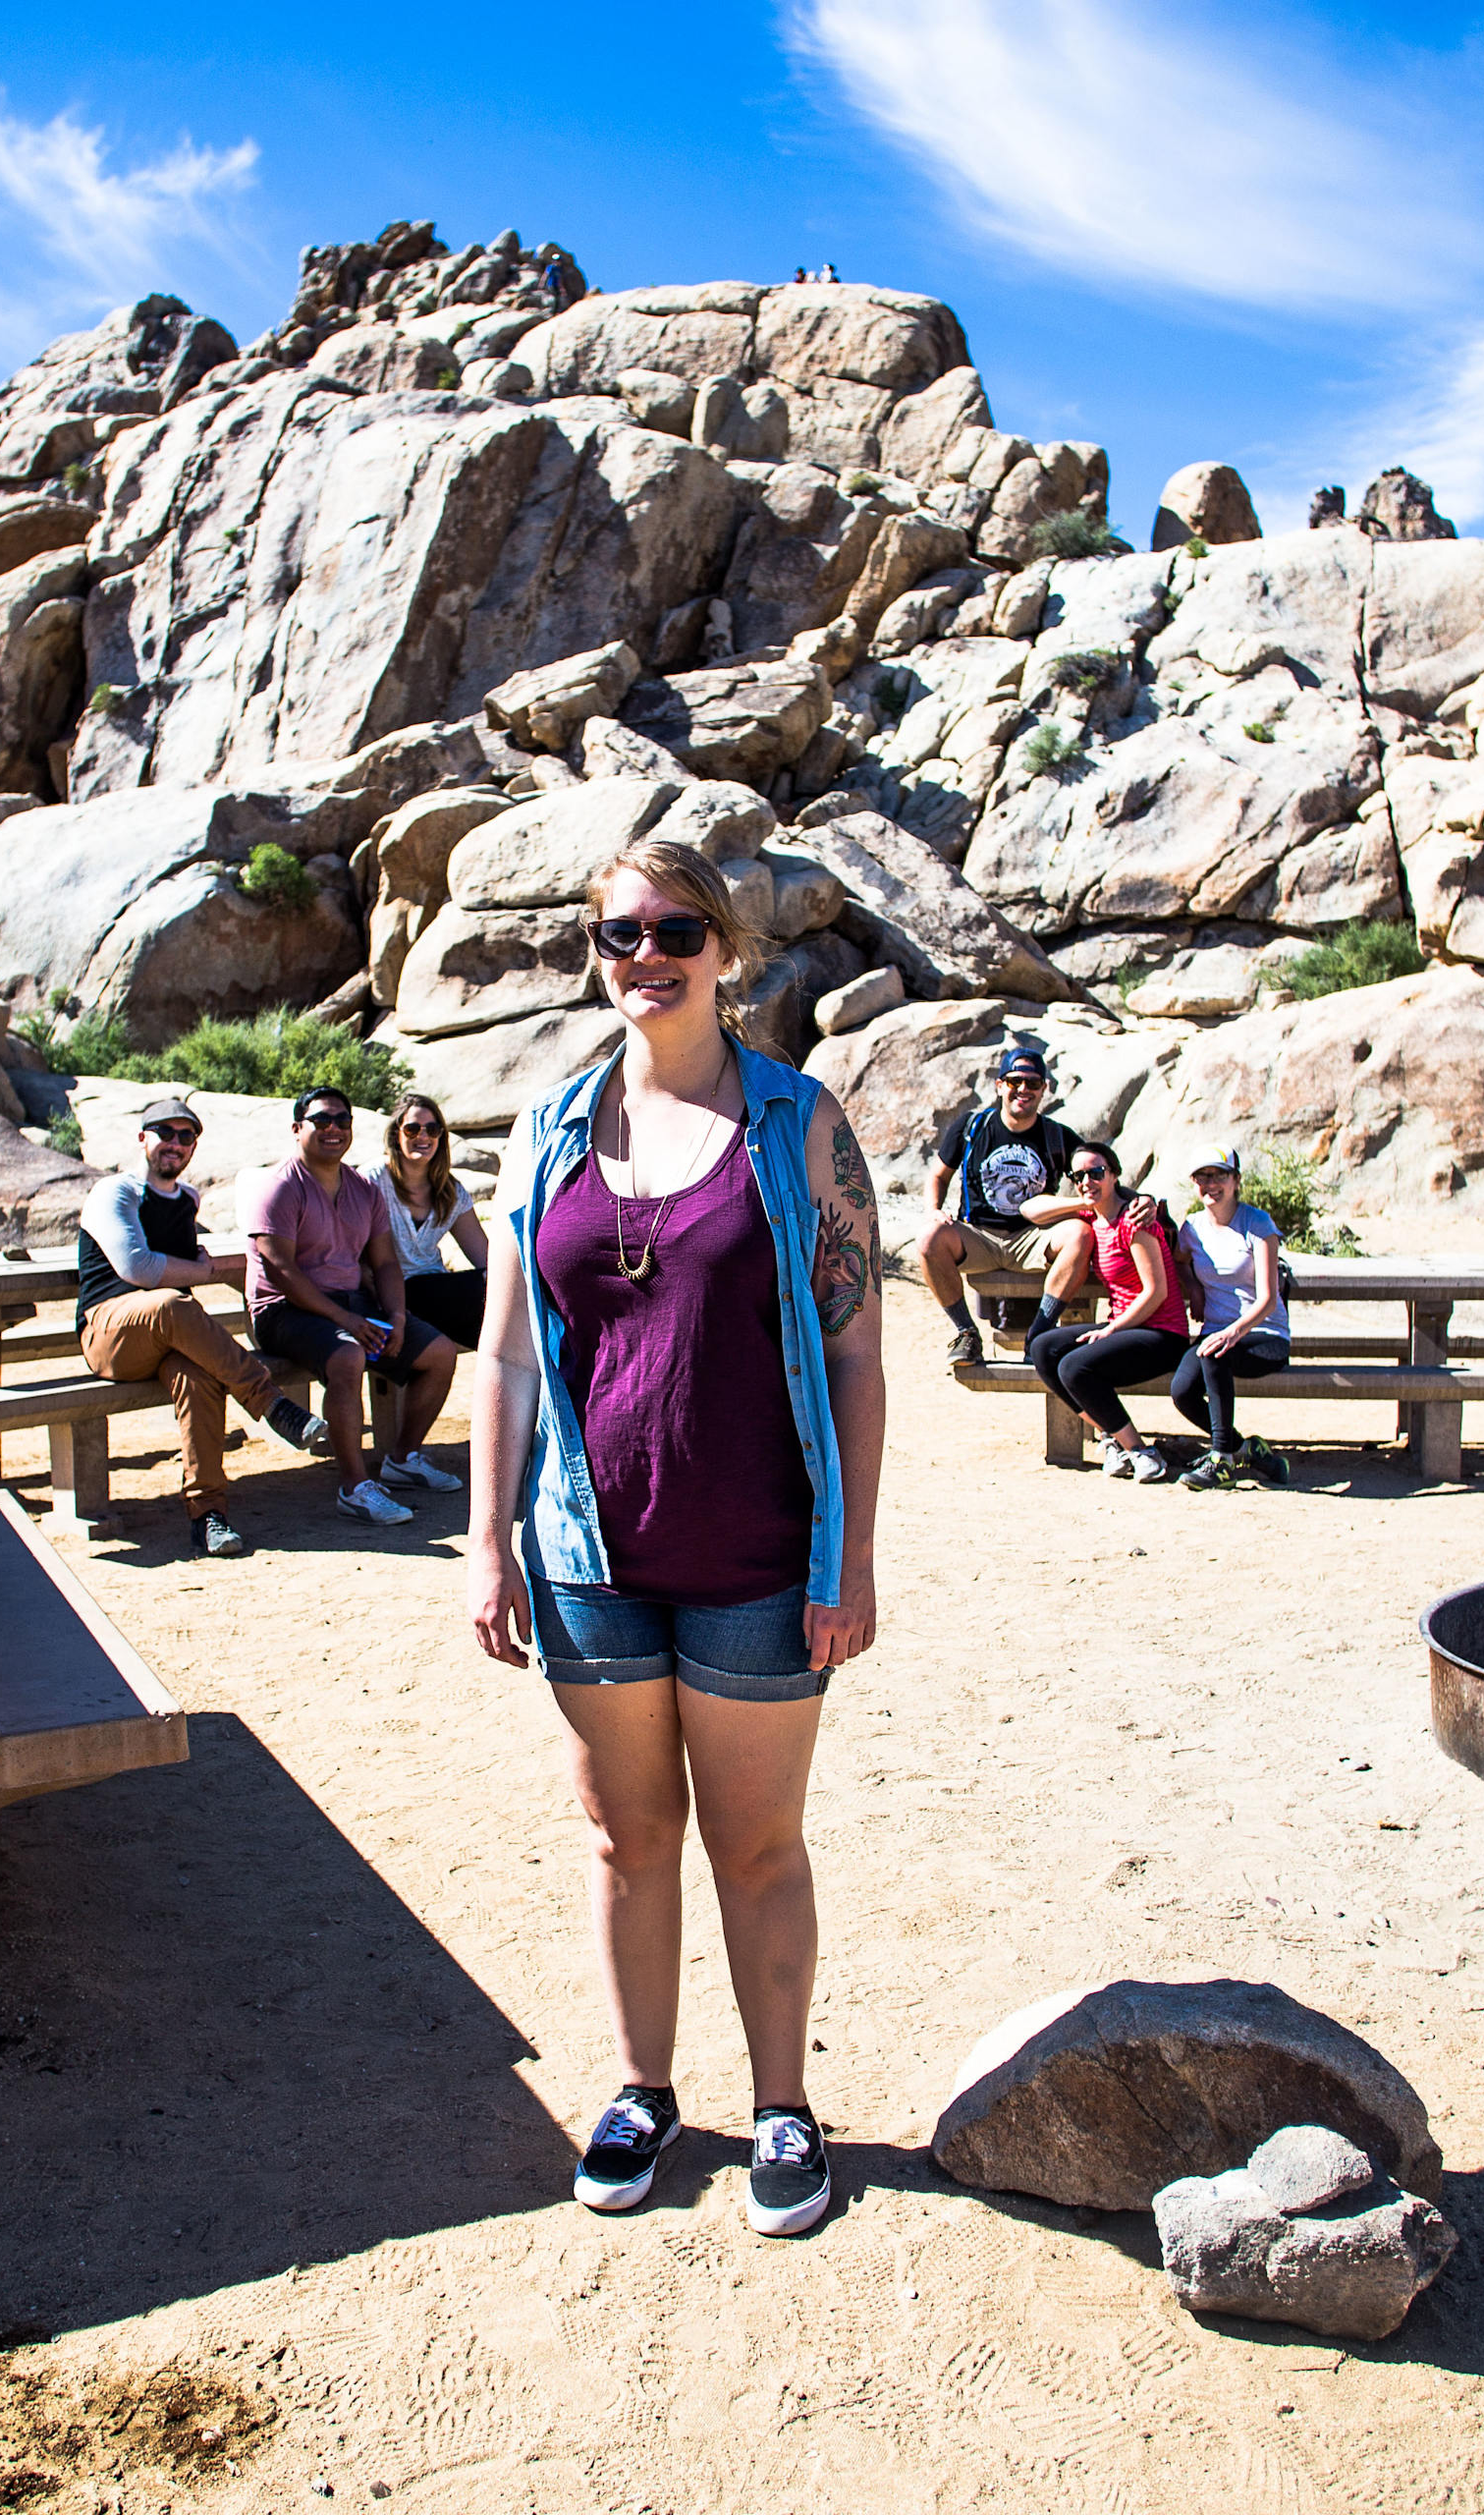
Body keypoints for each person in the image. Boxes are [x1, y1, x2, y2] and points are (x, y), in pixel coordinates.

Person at [467, 831, 885, 2241]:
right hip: (590, 1553)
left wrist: (852, 1557)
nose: (646, 959)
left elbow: (854, 1360)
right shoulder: (551, 1129)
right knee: (626, 1840)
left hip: (763, 1554)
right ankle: (645, 2090)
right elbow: (513, 1357)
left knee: (757, 1847)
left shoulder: (801, 1125)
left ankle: (782, 2105)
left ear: (725, 952)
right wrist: (485, 1545)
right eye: (618, 937)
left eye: (672, 934)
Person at [74, 1094, 328, 1556]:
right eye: (165, 1133)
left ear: (194, 1147)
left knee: (201, 1376)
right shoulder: (117, 1192)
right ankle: (272, 1404)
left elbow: (183, 1262)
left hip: (167, 1337)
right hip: (108, 1333)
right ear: (142, 1138)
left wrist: (200, 1267)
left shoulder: (186, 1200)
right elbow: (139, 1268)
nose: (175, 1143)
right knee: (171, 1303)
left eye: (185, 1136)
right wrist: (202, 1271)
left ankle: (208, 1514)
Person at [247, 1087, 466, 1524]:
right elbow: (281, 1272)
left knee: (439, 1353)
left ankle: (402, 1458)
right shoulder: (280, 1187)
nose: (333, 1129)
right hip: (282, 1310)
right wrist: (345, 1319)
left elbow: (385, 1263)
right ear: (297, 1129)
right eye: (321, 1120)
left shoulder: (362, 1190)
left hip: (351, 1304)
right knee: (348, 1355)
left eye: (342, 1121)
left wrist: (398, 1317)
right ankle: (355, 1486)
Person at [1021, 1141, 1193, 1481]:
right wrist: (1085, 1197)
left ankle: (1141, 1452)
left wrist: (1111, 1330)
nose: (1087, 1181)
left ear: (1114, 1175)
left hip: (1162, 1334)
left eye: (1097, 1173)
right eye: (1079, 1175)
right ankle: (1114, 1438)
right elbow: (1030, 1209)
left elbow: (1156, 1292)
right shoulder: (1091, 1216)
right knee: (1044, 1348)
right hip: (1125, 1329)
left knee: (1074, 1366)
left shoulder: (1135, 1220)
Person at [919, 1045, 1088, 1369]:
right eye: (1014, 1081)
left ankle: (1039, 1334)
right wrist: (934, 1209)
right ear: (999, 1086)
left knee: (1079, 1234)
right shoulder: (972, 1128)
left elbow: (1097, 1173)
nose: (1023, 1089)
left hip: (1033, 1236)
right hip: (977, 1235)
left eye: (1033, 1083)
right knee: (929, 1238)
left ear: (1044, 1090)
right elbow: (938, 1175)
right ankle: (965, 1332)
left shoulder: (1057, 1136)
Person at [1164, 1147, 1295, 1491]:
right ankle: (1247, 1449)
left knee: (1212, 1352)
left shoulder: (1258, 1223)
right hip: (1216, 1336)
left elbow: (1268, 1299)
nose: (1211, 1184)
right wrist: (1193, 1288)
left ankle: (1221, 1459)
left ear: (1236, 1181)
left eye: (1219, 1175)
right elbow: (1179, 1261)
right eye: (1202, 1177)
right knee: (1181, 1391)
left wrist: (1232, 1332)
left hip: (1264, 1334)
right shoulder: (1192, 1227)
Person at [365, 1092, 490, 1352]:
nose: (423, 1136)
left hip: (436, 1292)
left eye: (432, 1129)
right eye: (412, 1129)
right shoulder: (373, 1180)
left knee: (497, 1291)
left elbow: (485, 1257)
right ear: (396, 1135)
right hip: (390, 1293)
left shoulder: (450, 1191)